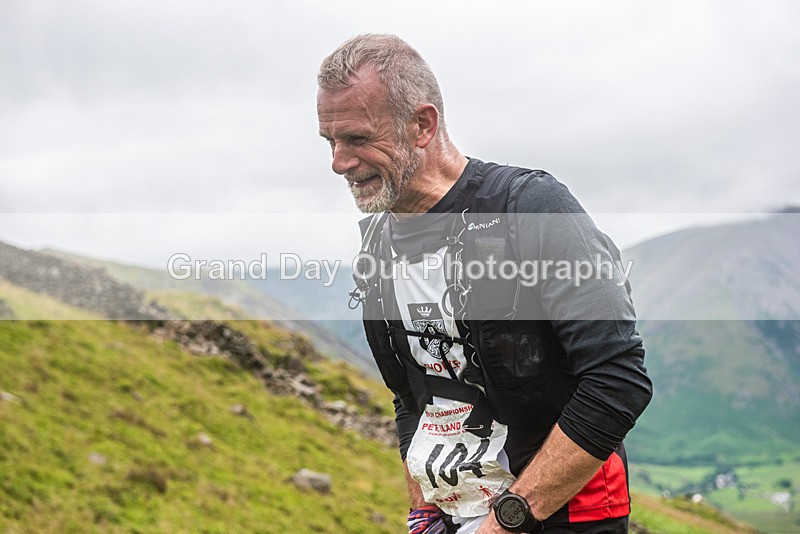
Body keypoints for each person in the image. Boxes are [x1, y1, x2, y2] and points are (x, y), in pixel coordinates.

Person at [317, 34, 652, 534]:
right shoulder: (377, 244)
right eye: (330, 141)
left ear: (422, 125)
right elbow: (413, 396)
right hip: (459, 518)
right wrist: (424, 510)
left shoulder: (530, 207)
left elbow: (618, 379)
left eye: (358, 139)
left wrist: (507, 520)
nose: (338, 162)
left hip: (566, 518)